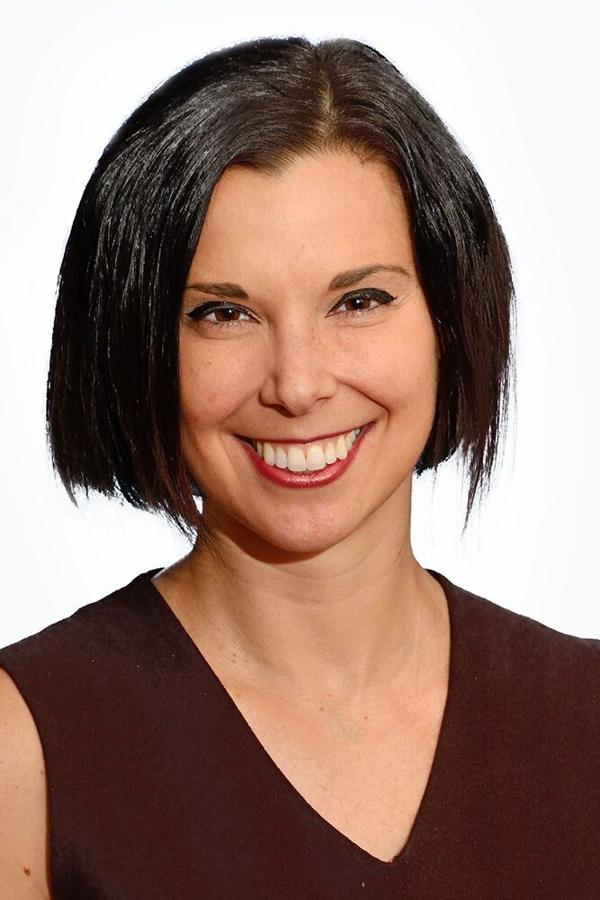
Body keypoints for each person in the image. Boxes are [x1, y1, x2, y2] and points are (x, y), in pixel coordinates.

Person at [0, 35, 598, 899]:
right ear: (134, 346)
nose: (299, 384)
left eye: (360, 301)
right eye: (222, 314)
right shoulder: (27, 750)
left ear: (450, 319)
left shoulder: (585, 720)